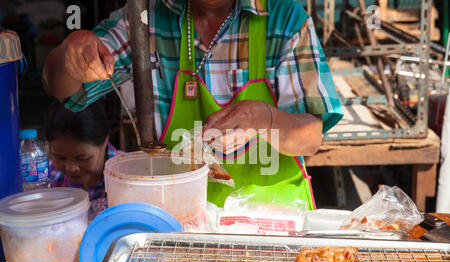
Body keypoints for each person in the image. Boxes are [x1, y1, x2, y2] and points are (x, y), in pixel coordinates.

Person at [42, 0, 344, 210]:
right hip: (179, 213)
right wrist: (71, 55)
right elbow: (64, 89)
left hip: (273, 215)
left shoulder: (284, 19)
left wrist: (264, 118)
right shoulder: (144, 18)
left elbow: (310, 137)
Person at [45, 100, 124, 220]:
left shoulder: (128, 179)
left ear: (104, 142)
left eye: (82, 158)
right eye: (60, 157)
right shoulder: (46, 177)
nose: (71, 168)